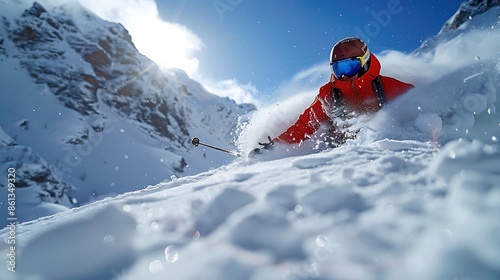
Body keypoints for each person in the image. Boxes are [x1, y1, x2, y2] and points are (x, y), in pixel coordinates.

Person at [253, 37, 414, 154]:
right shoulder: (329, 94)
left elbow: (419, 102)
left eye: (350, 67)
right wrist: (273, 147)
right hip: (338, 157)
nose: (343, 75)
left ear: (364, 62)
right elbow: (303, 127)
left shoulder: (387, 86)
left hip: (382, 153)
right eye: (338, 69)